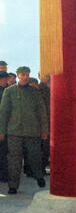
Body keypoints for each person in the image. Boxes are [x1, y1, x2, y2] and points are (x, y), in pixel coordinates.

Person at [0, 66, 49, 194]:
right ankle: (13, 186)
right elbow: (4, 112)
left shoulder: (35, 92)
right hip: (14, 132)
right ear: (18, 76)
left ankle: (39, 176)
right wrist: (2, 131)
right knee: (14, 160)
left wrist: (44, 131)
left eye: (27, 74)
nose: (25, 77)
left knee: (35, 156)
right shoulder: (9, 91)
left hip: (32, 132)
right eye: (22, 75)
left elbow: (42, 112)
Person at [0, 71, 9, 181]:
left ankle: (3, 175)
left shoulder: (6, 90)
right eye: (4, 79)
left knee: (4, 152)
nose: (6, 81)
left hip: (5, 126)